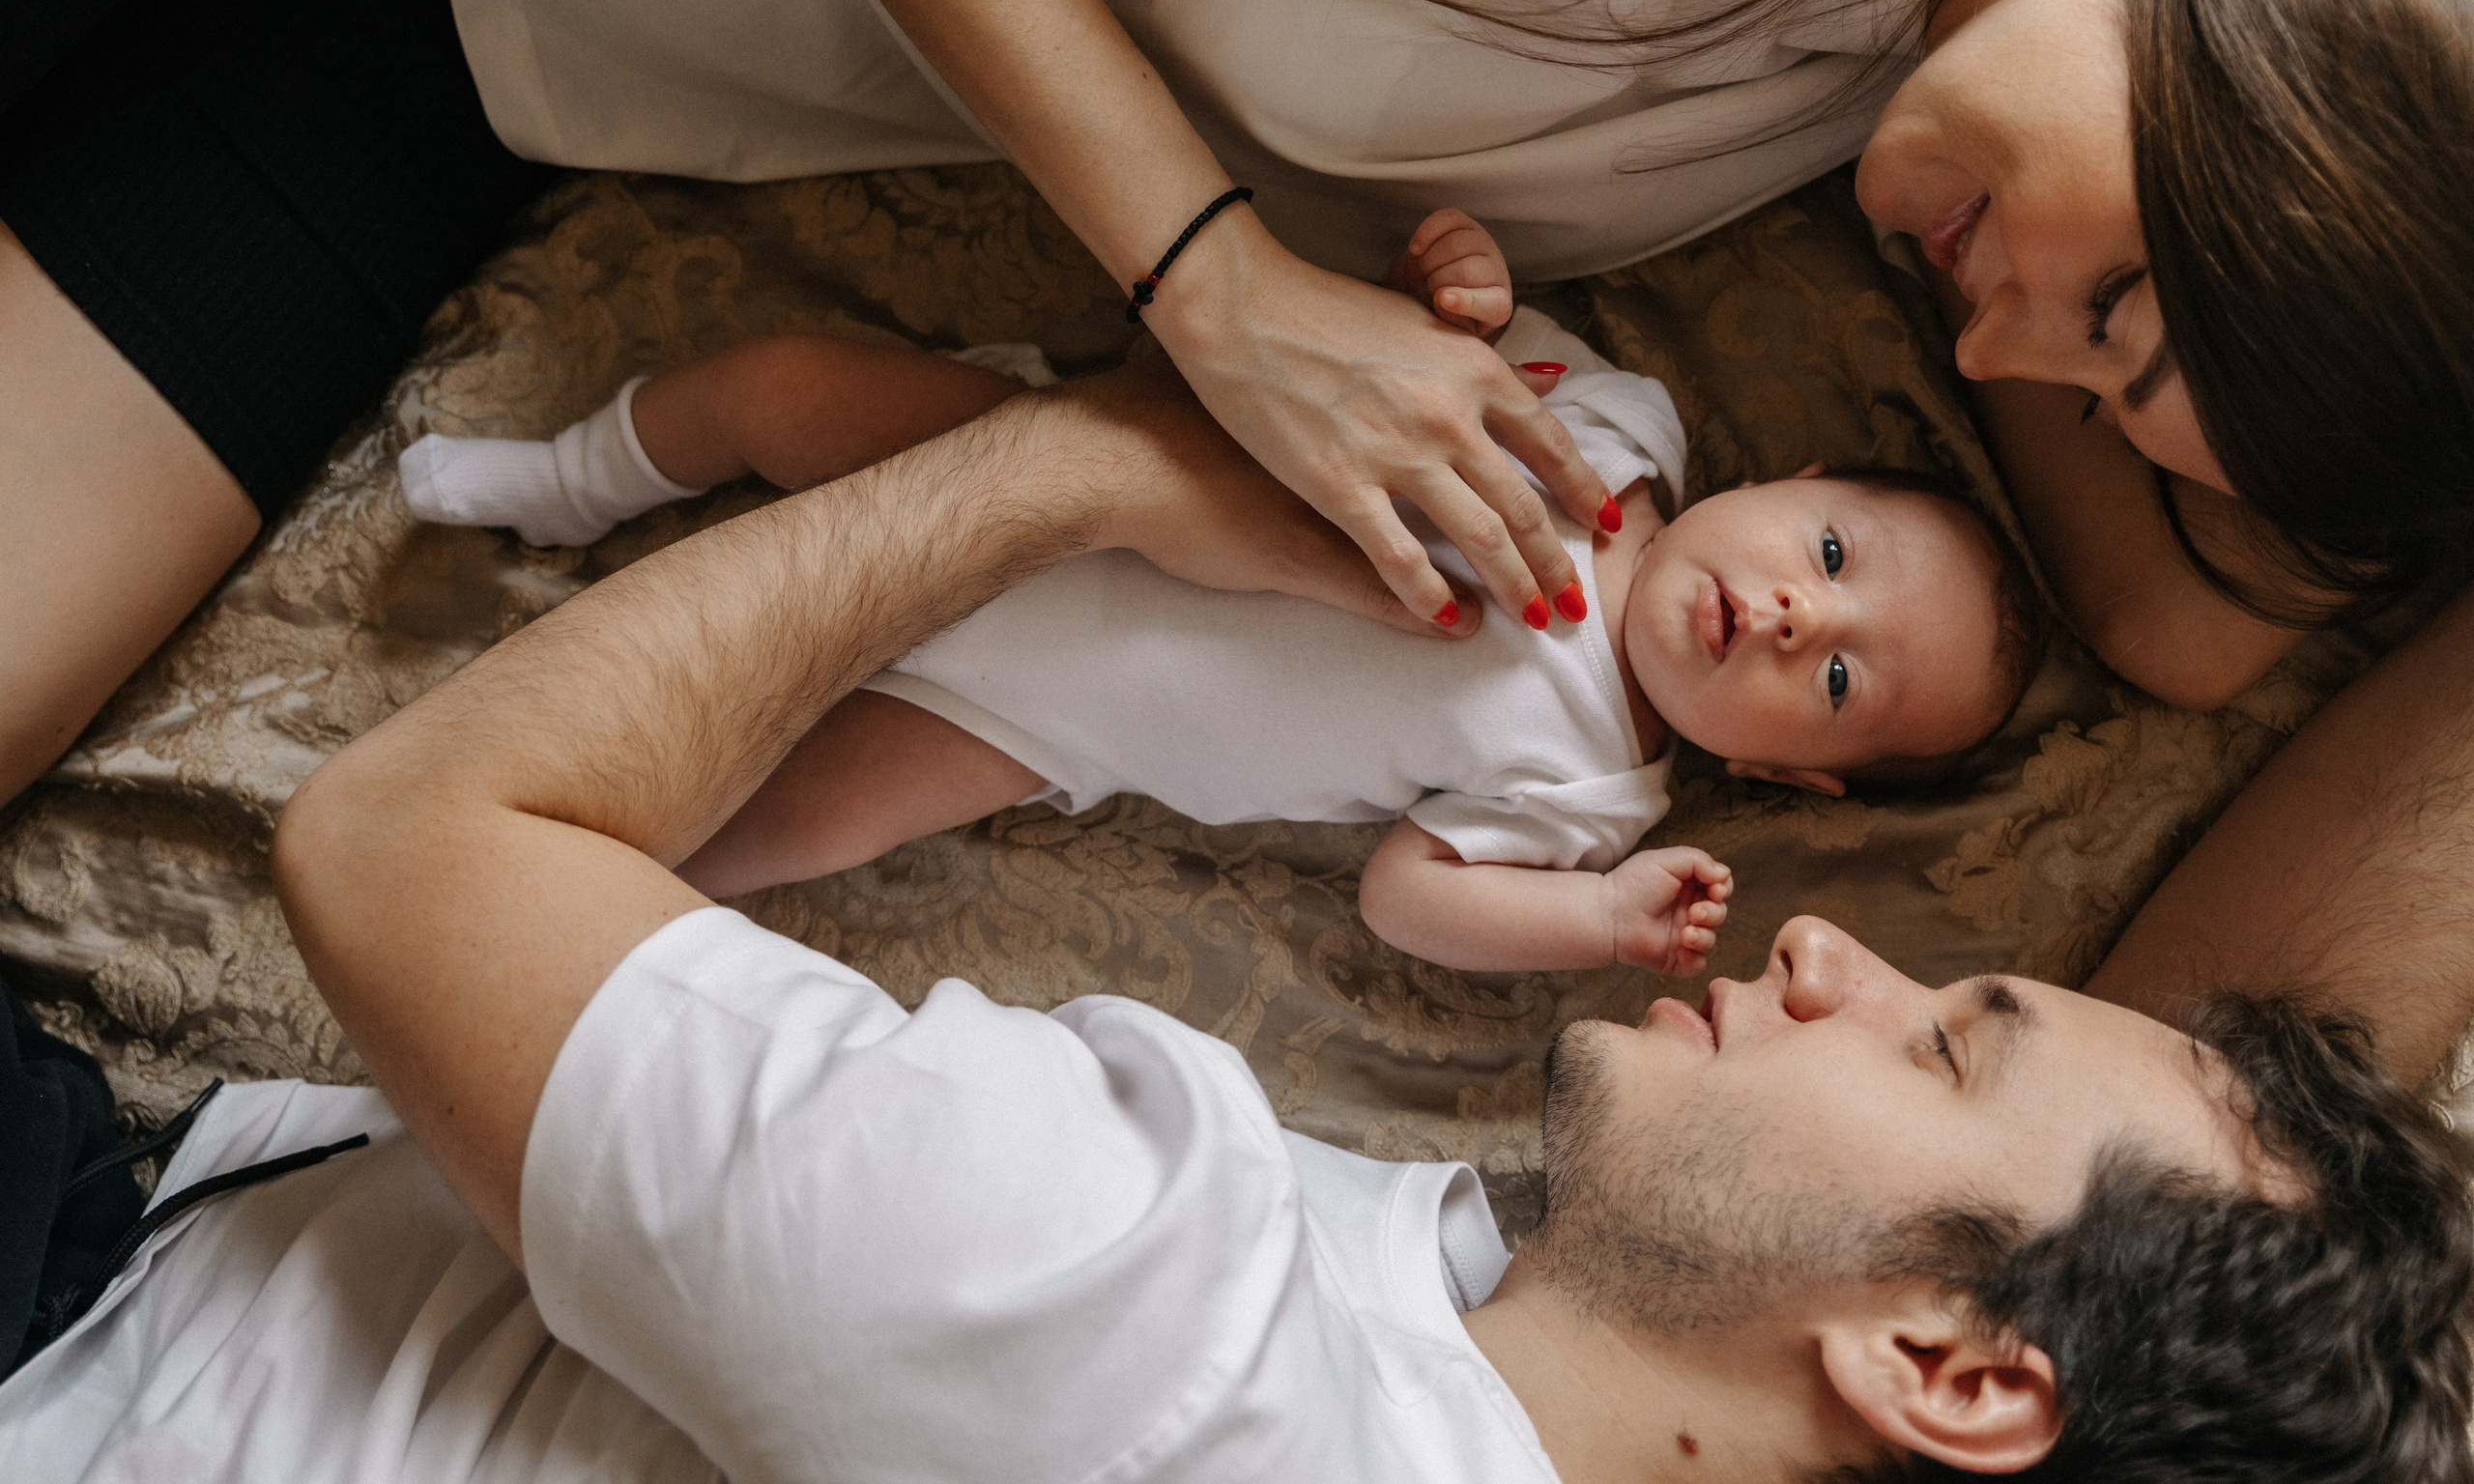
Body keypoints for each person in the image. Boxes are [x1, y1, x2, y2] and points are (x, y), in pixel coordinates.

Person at [8, 0, 2471, 1064]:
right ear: (2259, 58)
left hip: (468, 68)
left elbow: (2152, 615)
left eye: (2095, 392)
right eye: (2117, 296)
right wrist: (1213, 292)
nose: (2005, 341)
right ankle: (542, 486)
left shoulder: (1962, 70)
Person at [6, 378, 2467, 1483]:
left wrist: (1072, 471)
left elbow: (394, 843)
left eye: (1939, 1044)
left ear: (1952, 1371)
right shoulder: (1473, 1341)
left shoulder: (1143, 1348)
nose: (1839, 956)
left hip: (108, 1340)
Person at [395, 211, 2040, 976]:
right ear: (1776, 486)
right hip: (1046, 458)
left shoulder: (1593, 789)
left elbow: (1404, 895)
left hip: (1027, 714)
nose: (1803, 618)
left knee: (783, 823)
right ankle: (559, 483)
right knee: (775, 393)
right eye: (1832, 557)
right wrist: (1441, 293)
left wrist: (1596, 920)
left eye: (1840, 681)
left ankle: (527, 852)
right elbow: (1396, 367)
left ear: (1784, 775)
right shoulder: (1612, 427)